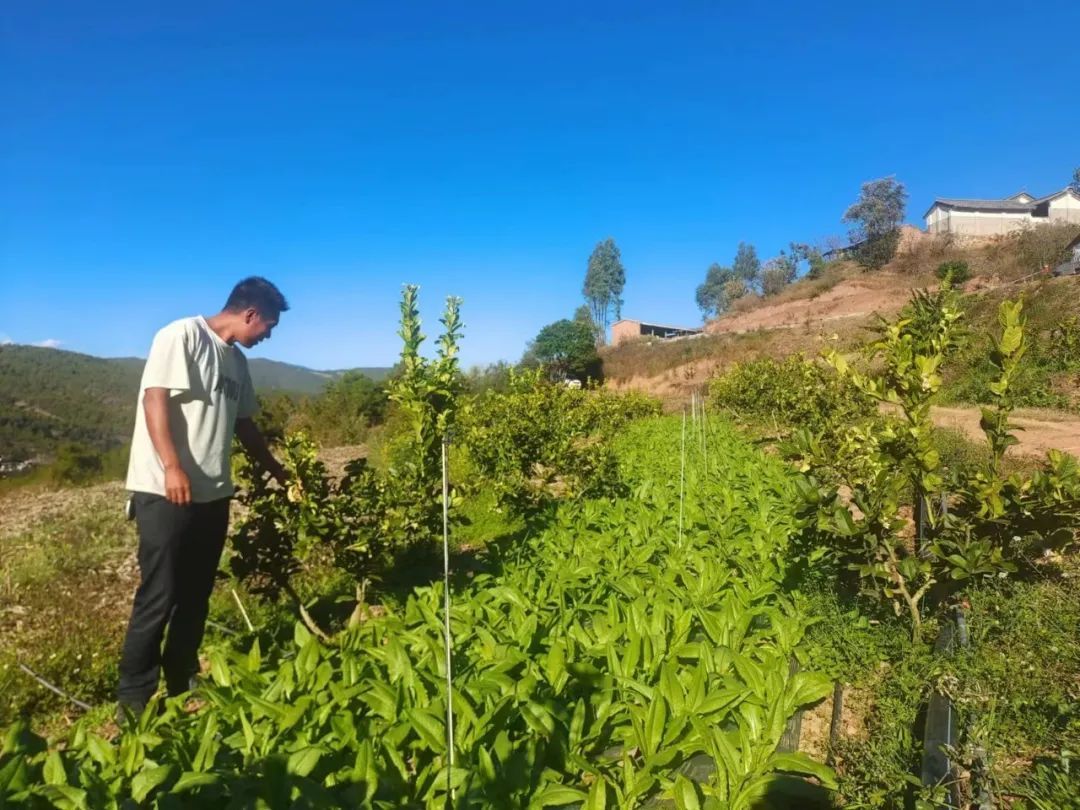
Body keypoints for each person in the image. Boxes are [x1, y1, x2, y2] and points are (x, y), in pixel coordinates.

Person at [116, 276, 289, 723]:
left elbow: (244, 425)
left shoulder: (237, 363)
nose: (267, 335)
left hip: (213, 494)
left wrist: (275, 468)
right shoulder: (182, 336)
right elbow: (154, 400)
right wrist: (173, 466)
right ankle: (134, 700)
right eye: (267, 325)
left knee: (195, 594)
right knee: (160, 594)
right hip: (165, 489)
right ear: (249, 314)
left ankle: (182, 679)